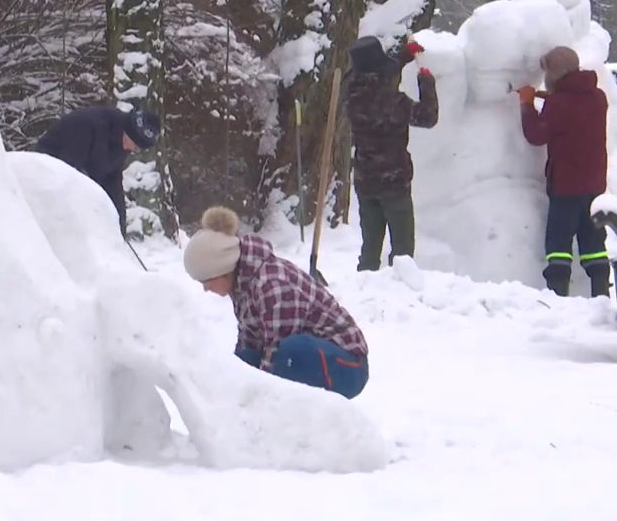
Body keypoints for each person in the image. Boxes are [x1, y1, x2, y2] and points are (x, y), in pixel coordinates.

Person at [182, 205, 370, 399]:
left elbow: (276, 353)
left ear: (221, 269)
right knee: (245, 360)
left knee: (290, 354)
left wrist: (262, 402)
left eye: (206, 281)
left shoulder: (272, 286)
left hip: (349, 366)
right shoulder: (242, 283)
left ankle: (299, 421)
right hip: (311, 356)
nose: (205, 289)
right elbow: (250, 343)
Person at [517, 46, 610, 298]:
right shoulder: (598, 98)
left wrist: (527, 105)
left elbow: (536, 134)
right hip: (594, 185)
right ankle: (601, 292)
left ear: (556, 73)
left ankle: (558, 296)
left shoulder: (559, 103)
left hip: (566, 185)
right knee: (594, 242)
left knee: (559, 245)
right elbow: (574, 109)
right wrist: (551, 98)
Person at [345, 35, 439, 272]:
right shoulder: (392, 102)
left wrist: (405, 55)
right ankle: (400, 293)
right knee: (402, 252)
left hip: (365, 180)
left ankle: (365, 291)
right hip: (394, 182)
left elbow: (379, 73)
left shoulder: (351, 94)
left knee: (370, 248)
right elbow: (428, 117)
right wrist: (426, 81)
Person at [35, 105, 161, 235]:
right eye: (135, 146)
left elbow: (113, 182)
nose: (134, 151)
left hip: (72, 183)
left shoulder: (121, 143)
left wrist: (119, 227)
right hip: (44, 177)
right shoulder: (89, 125)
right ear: (130, 133)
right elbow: (70, 174)